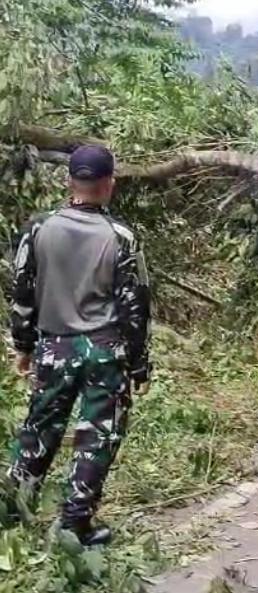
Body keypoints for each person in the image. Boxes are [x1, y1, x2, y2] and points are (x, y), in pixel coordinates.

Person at [4, 145, 152, 546]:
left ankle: (12, 508)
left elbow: (22, 291)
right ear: (109, 185)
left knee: (40, 427)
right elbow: (134, 306)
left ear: (70, 181)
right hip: (105, 350)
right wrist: (139, 364)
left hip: (54, 348)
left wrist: (23, 344)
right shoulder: (121, 237)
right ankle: (74, 524)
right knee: (97, 437)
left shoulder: (39, 229)